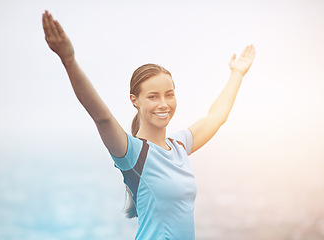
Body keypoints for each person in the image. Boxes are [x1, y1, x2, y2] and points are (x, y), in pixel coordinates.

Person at [42, 10, 255, 240]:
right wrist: (69, 60)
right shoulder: (133, 153)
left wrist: (237, 74)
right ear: (135, 100)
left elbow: (216, 117)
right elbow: (101, 116)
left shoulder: (179, 146)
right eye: (153, 96)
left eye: (169, 95)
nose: (163, 104)